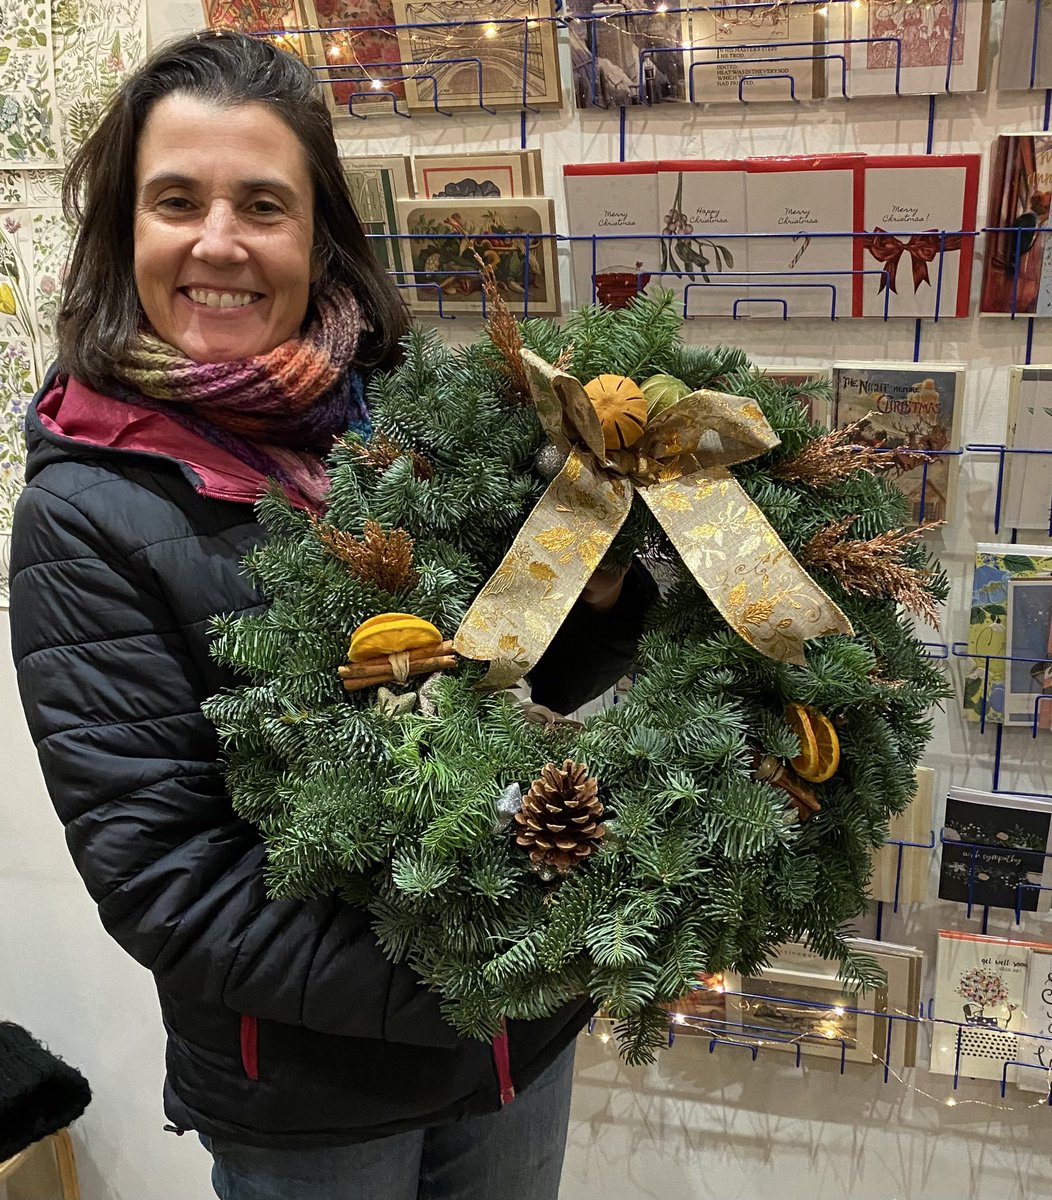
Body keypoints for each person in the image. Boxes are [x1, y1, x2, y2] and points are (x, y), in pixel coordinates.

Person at [8, 30, 654, 1200]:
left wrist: (598, 586)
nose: (219, 242)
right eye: (176, 201)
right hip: (311, 1099)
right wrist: (493, 968)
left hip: (516, 1054)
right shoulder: (86, 510)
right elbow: (170, 882)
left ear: (317, 236)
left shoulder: (398, 419)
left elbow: (519, 685)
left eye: (263, 203)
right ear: (124, 229)